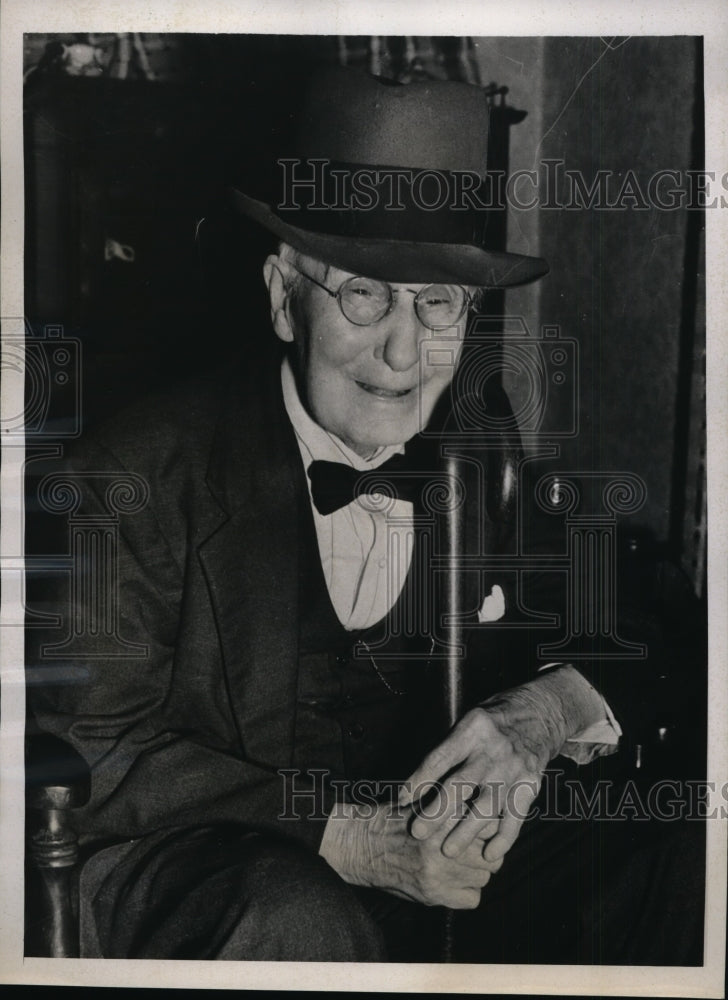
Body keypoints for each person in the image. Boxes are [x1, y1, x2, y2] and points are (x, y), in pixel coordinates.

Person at [28, 66, 704, 963]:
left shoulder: (477, 432)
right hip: (220, 868)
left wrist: (541, 714)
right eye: (362, 293)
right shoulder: (136, 473)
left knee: (678, 859)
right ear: (282, 296)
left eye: (437, 302)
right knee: (300, 919)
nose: (401, 350)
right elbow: (89, 748)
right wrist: (347, 838)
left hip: (425, 869)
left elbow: (633, 605)